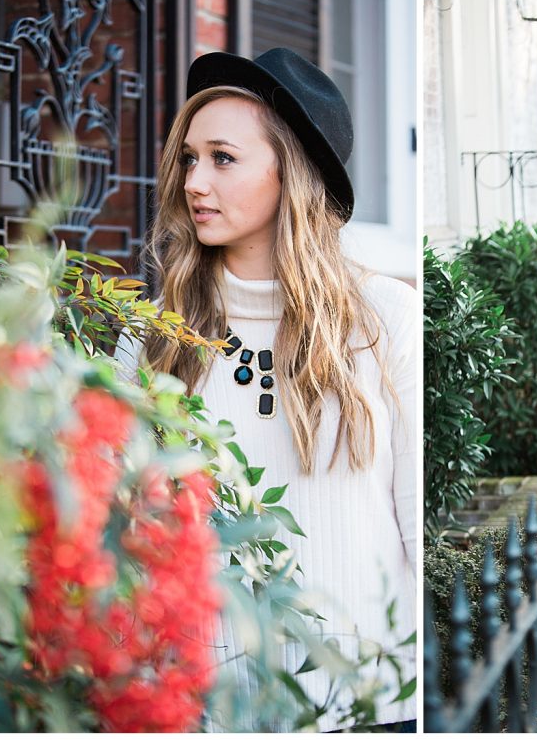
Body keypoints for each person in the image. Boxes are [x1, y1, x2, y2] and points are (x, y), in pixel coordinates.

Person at [129, 48, 416, 730]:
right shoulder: (152, 334)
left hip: (367, 700)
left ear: (293, 172)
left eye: (223, 158)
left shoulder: (383, 319)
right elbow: (131, 528)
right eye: (189, 158)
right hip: (208, 703)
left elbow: (415, 520)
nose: (195, 181)